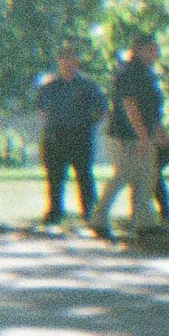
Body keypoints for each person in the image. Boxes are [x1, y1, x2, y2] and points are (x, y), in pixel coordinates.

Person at [94, 35, 169, 238]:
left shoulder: (147, 73)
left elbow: (152, 108)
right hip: (126, 135)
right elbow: (130, 104)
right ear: (139, 50)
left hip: (144, 133)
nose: (155, 54)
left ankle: (144, 222)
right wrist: (143, 134)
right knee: (124, 175)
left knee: (146, 177)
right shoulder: (128, 72)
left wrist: (158, 133)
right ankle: (98, 218)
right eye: (151, 49)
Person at [34, 45, 108, 225]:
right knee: (55, 177)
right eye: (65, 59)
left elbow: (101, 110)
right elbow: (42, 110)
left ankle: (89, 213)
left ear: (78, 61)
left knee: (84, 176)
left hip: (80, 135)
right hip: (55, 136)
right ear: (59, 61)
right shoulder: (49, 86)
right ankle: (54, 212)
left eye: (73, 59)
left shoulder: (88, 86)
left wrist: (88, 124)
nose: (69, 63)